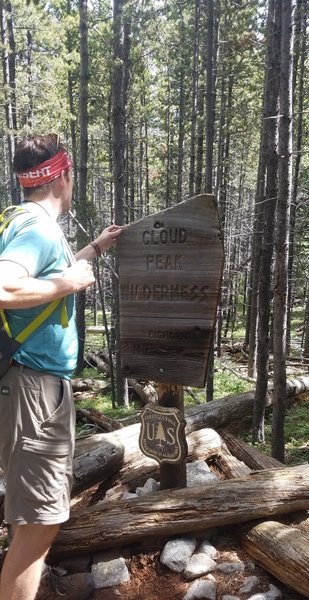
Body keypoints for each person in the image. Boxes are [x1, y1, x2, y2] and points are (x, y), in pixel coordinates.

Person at [0, 135, 122, 600]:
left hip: (19, 384)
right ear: (62, 177)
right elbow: (6, 286)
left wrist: (93, 249)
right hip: (34, 390)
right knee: (39, 525)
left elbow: (45, 272)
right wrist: (67, 282)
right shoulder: (39, 228)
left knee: (29, 518)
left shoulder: (18, 219)